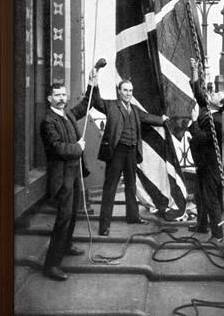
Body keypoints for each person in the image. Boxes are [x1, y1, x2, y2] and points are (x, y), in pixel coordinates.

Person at [40, 70, 98, 281]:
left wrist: (92, 84)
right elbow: (57, 148)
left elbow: (84, 105)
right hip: (61, 176)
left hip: (74, 173)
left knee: (73, 214)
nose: (62, 98)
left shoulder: (68, 114)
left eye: (64, 95)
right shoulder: (48, 121)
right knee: (63, 218)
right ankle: (51, 265)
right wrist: (78, 147)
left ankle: (66, 246)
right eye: (57, 95)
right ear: (50, 99)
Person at [93, 79, 169, 236]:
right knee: (110, 188)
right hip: (116, 152)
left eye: (130, 91)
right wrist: (94, 85)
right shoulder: (111, 105)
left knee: (131, 185)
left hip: (132, 152)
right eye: (125, 90)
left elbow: (147, 118)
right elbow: (96, 102)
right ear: (119, 91)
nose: (128, 93)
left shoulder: (134, 109)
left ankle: (132, 216)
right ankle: (104, 226)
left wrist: (163, 120)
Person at [187, 59, 224, 242]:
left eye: (216, 95)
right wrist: (195, 70)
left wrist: (194, 121)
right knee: (200, 195)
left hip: (211, 165)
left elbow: (200, 138)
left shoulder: (217, 121)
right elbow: (198, 92)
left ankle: (217, 234)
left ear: (219, 105)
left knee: (211, 198)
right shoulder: (208, 109)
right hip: (202, 162)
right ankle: (202, 225)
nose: (211, 94)